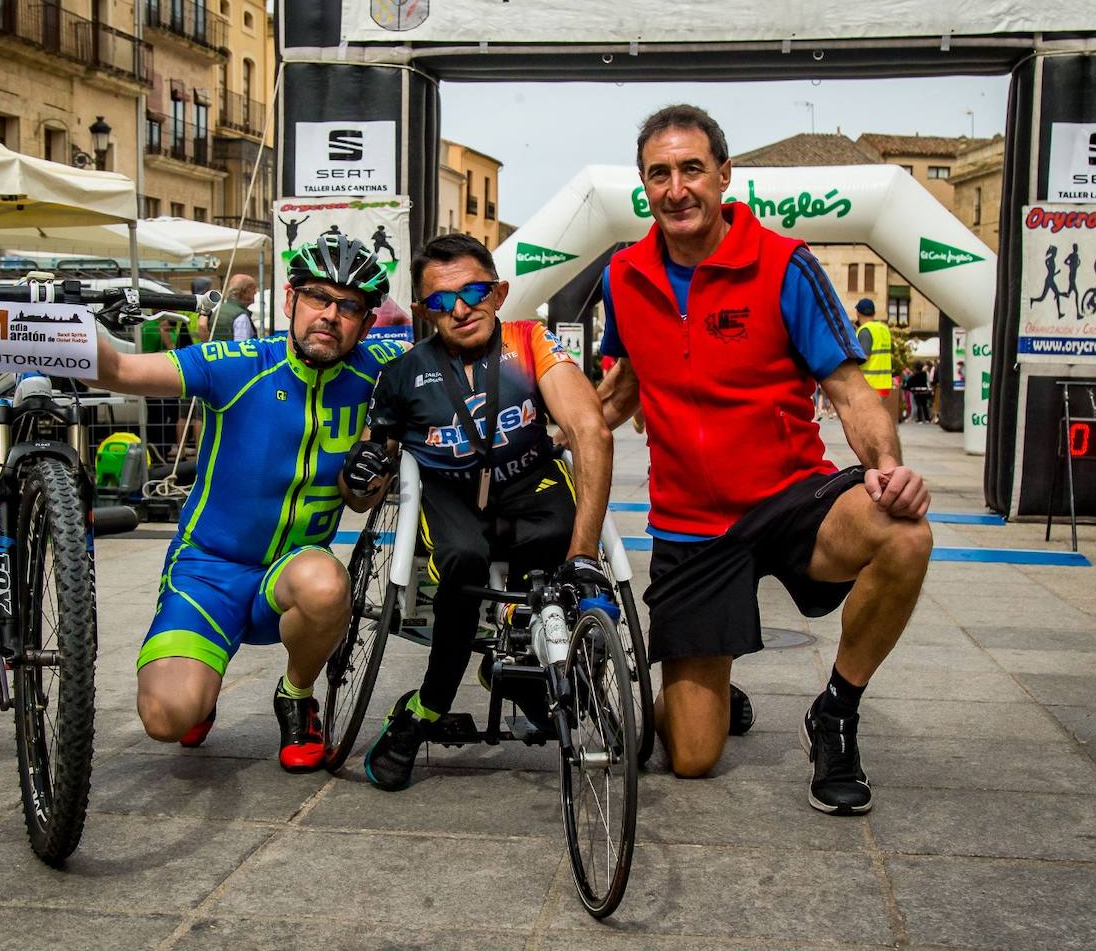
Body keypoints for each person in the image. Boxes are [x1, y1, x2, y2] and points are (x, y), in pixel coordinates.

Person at [599, 104, 932, 816]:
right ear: (643, 187)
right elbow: (620, 388)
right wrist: (550, 430)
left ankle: (836, 712)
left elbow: (849, 389)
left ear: (724, 175)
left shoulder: (785, 263)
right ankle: (708, 683)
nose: (677, 187)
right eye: (660, 173)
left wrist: (886, 468)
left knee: (903, 532)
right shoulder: (623, 277)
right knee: (690, 758)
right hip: (691, 528)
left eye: (692, 168)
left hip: (791, 499)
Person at [86, 234, 405, 773]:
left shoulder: (380, 372)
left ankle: (296, 695)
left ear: (369, 320)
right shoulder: (239, 362)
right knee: (168, 718)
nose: (330, 315)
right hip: (209, 572)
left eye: (349, 306)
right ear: (289, 301)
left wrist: (377, 460)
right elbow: (119, 372)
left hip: (292, 575)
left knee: (328, 585)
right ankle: (199, 693)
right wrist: (47, 316)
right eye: (316, 297)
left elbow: (358, 499)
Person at [347, 232, 614, 792]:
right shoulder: (401, 374)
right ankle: (426, 704)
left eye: (474, 291)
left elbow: (587, 425)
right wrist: (362, 472)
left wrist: (586, 555)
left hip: (529, 480)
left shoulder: (529, 341)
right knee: (462, 561)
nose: (461, 309)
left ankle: (522, 668)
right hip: (449, 493)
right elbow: (366, 486)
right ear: (423, 311)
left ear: (499, 292)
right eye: (442, 301)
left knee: (558, 534)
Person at [854, 298, 892, 398]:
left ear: (858, 313)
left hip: (869, 385)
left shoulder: (865, 330)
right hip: (884, 384)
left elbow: (864, 357)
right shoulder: (884, 329)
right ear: (874, 313)